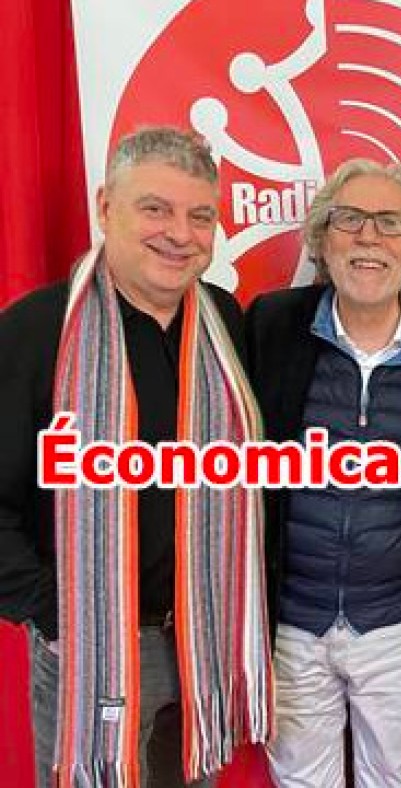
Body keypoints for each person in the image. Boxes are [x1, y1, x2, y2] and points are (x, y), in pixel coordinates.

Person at [0, 127, 272, 787]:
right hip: (90, 641)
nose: (179, 234)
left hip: (203, 638)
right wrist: (54, 612)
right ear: (105, 207)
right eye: (155, 209)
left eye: (200, 216)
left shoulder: (224, 322)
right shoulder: (38, 330)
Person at [246, 158, 401, 787]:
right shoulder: (271, 326)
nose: (369, 238)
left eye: (390, 223)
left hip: (399, 626)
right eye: (349, 220)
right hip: (290, 624)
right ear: (322, 239)